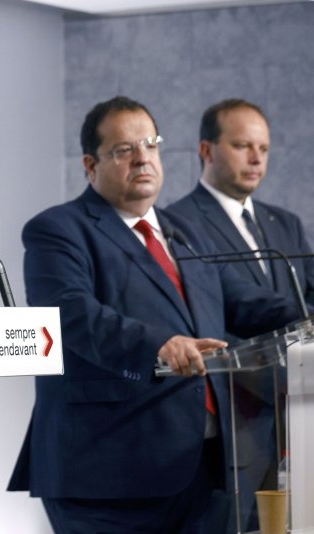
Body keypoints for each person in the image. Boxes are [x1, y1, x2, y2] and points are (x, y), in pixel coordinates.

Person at [7, 96, 304, 534]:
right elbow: (70, 314)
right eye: (124, 150)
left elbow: (242, 302)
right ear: (90, 164)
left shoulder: (182, 233)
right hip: (107, 474)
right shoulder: (59, 230)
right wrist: (156, 346)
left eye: (150, 144)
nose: (142, 158)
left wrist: (306, 316)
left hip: (203, 470)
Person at [167, 98, 314, 532]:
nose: (256, 158)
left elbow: (306, 293)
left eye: (264, 149)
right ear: (206, 150)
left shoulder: (283, 222)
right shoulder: (179, 223)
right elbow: (228, 307)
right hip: (238, 417)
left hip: (301, 409)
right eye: (242, 146)